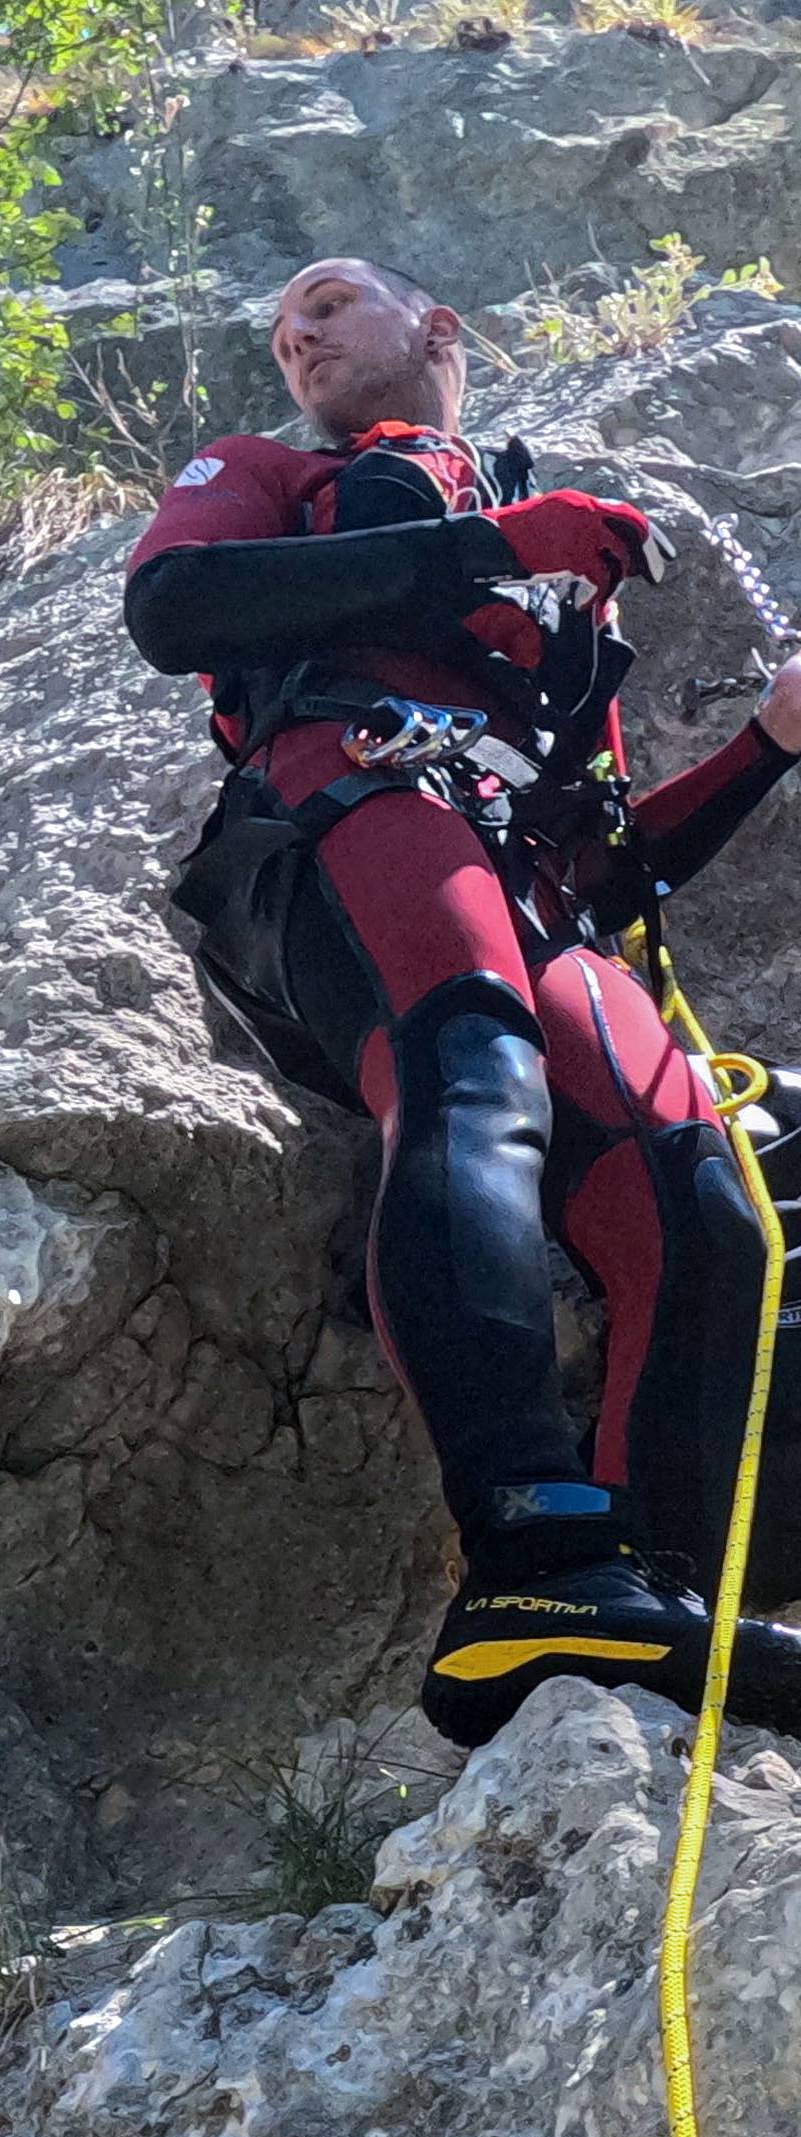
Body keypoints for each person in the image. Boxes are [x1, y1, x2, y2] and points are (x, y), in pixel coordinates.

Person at [123, 251, 801, 1746]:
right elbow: (176, 610)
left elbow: (611, 864)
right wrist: (486, 552)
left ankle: (653, 1593)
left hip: (531, 883)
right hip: (354, 795)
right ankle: (531, 1555)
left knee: (708, 1209)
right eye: (281, 322)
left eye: (325, 303)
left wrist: (767, 743)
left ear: (439, 329)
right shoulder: (269, 475)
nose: (292, 331)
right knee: (469, 1070)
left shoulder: (553, 604)